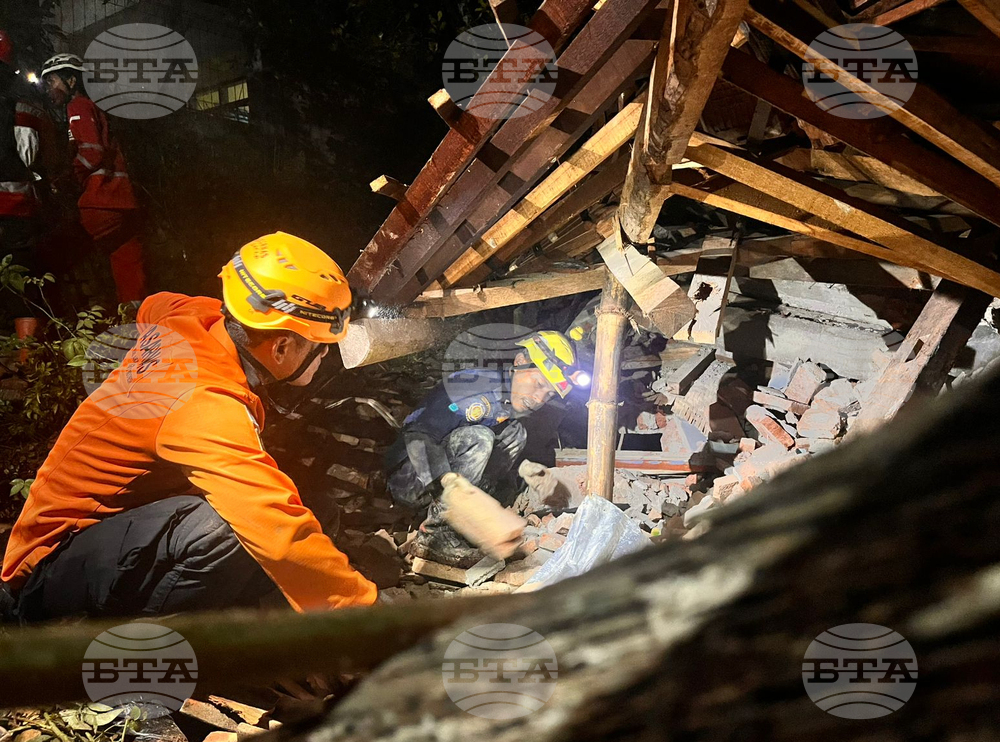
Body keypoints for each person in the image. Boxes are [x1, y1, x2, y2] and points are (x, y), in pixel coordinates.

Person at [1, 232, 377, 622]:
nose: (325, 357)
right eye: (321, 347)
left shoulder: (195, 317)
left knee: (310, 501)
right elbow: (277, 531)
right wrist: (368, 620)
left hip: (108, 534)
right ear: (281, 348)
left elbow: (151, 305)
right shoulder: (203, 404)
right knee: (225, 531)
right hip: (49, 570)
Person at [384, 330, 590, 567]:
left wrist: (524, 471)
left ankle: (465, 523)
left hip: (443, 487)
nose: (539, 398)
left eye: (549, 393)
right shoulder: (471, 387)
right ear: (520, 363)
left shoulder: (508, 401)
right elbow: (418, 435)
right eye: (539, 383)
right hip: (408, 479)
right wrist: (448, 483)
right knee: (479, 438)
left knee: (516, 434)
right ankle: (435, 536)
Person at [40, 53, 147, 303]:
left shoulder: (77, 107)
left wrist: (67, 178)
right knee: (129, 267)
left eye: (51, 81)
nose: (48, 89)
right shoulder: (98, 108)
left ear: (71, 81)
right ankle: (137, 321)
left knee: (50, 253)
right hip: (123, 203)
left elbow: (91, 151)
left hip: (98, 204)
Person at [1, 30, 56, 320]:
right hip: (16, 204)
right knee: (24, 279)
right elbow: (28, 154)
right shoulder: (20, 100)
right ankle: (27, 355)